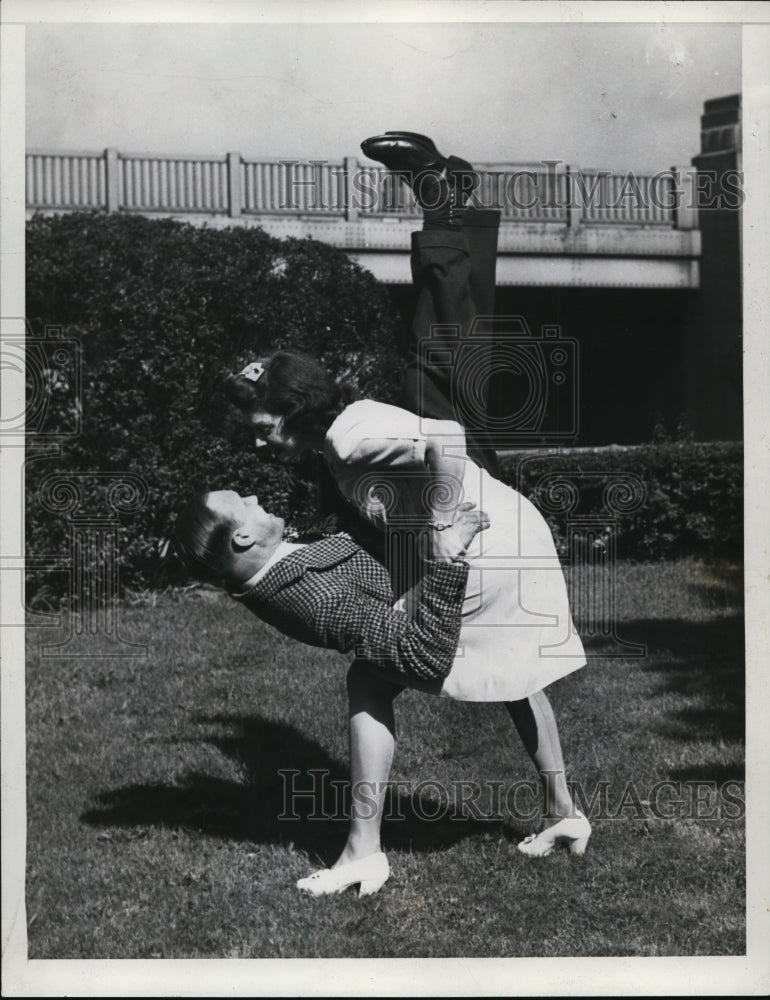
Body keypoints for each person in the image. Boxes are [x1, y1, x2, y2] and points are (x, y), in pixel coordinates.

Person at [223, 133, 591, 893]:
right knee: (449, 343)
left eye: (259, 425)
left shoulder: (352, 434)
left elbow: (446, 440)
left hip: (484, 533)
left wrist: (449, 524)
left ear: (288, 410)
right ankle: (562, 809)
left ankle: (365, 851)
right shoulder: (337, 444)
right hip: (504, 529)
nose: (255, 443)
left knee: (373, 678)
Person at [172, 490, 488, 895]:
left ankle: (364, 849)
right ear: (243, 540)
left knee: (366, 680)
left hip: (451, 548)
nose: (253, 495)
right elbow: (424, 655)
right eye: (242, 503)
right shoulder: (313, 599)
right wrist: (446, 555)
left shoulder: (274, 561)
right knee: (368, 679)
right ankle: (364, 849)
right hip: (464, 567)